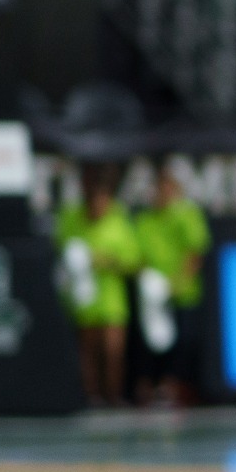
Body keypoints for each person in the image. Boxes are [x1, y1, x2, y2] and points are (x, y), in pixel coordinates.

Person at [56, 163, 142, 408]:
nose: (98, 208)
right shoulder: (72, 219)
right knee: (88, 350)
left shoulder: (119, 221)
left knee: (113, 350)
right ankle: (92, 396)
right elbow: (63, 252)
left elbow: (133, 261)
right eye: (93, 203)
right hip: (83, 298)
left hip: (111, 299)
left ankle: (113, 395)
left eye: (102, 202)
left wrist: (107, 261)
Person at [133, 160, 212, 406]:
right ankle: (149, 387)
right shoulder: (145, 220)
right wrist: (151, 283)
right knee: (149, 343)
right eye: (159, 188)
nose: (163, 193)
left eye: (168, 188)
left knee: (184, 342)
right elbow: (138, 256)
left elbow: (195, 253)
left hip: (182, 293)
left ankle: (174, 386)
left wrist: (176, 283)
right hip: (153, 296)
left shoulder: (187, 215)